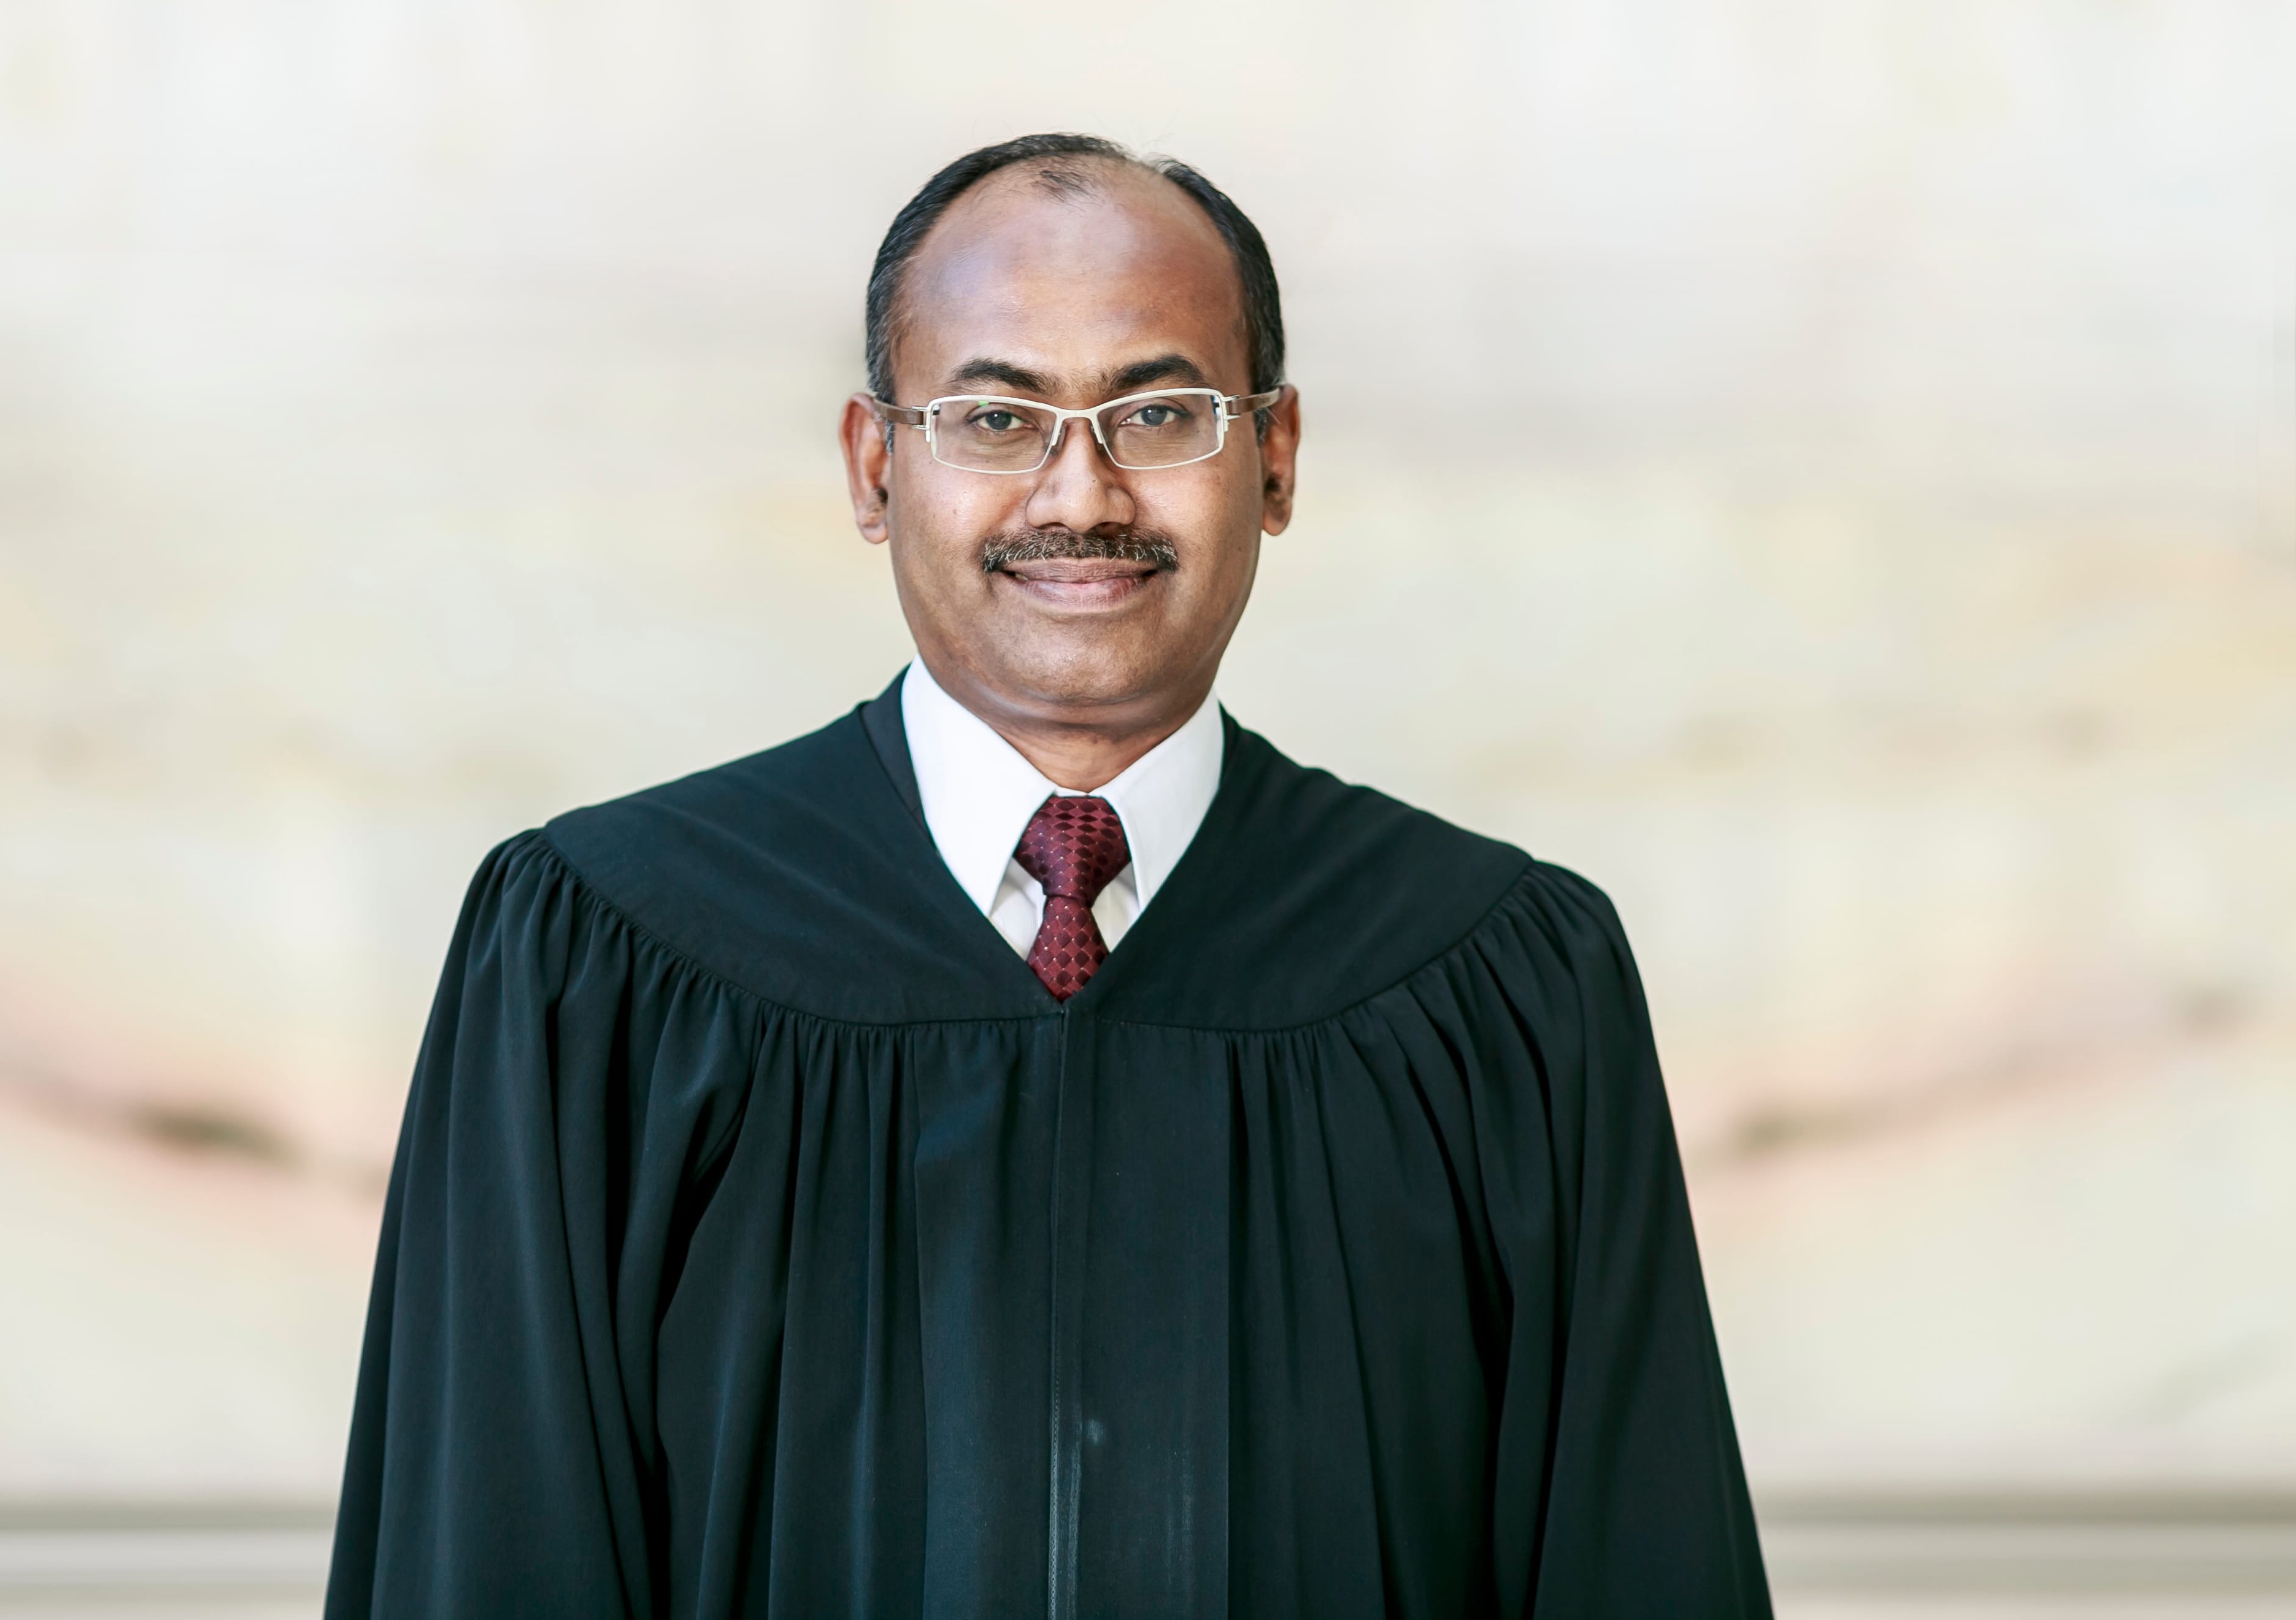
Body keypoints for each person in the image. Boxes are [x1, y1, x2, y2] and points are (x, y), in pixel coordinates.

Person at [326, 133, 1773, 1619]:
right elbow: (485, 1564)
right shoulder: (598, 962)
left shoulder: (1501, 989)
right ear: (875, 466)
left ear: (1273, 460)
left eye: (1160, 412)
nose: (1080, 494)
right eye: (994, 417)